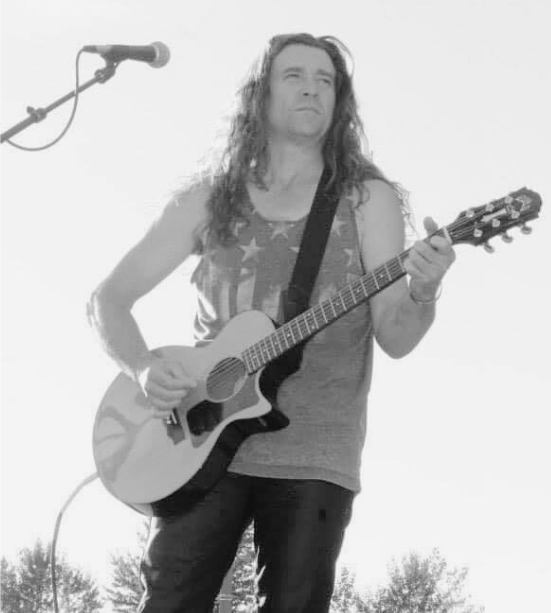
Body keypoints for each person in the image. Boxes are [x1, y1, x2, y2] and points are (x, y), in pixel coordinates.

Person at [88, 33, 456, 612]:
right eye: (294, 75)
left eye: (326, 79)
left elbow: (396, 335)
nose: (312, 86)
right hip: (197, 438)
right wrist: (140, 369)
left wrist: (425, 290)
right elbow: (108, 299)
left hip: (316, 452)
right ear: (259, 94)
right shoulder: (211, 197)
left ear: (340, 101)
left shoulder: (366, 198)